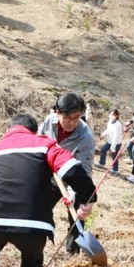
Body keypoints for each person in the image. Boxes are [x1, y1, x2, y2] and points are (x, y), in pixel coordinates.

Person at [0, 114, 97, 267]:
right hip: (33, 223)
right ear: (33, 130)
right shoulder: (45, 145)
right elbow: (73, 170)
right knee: (32, 260)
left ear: (8, 129)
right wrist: (89, 197)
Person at [37, 92, 95, 255]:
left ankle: (73, 250)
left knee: (76, 214)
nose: (72, 123)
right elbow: (39, 141)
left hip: (74, 179)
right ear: (58, 112)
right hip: (50, 175)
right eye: (68, 118)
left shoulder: (86, 137)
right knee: (41, 207)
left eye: (76, 118)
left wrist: (73, 191)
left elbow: (84, 169)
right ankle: (38, 240)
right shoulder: (49, 121)